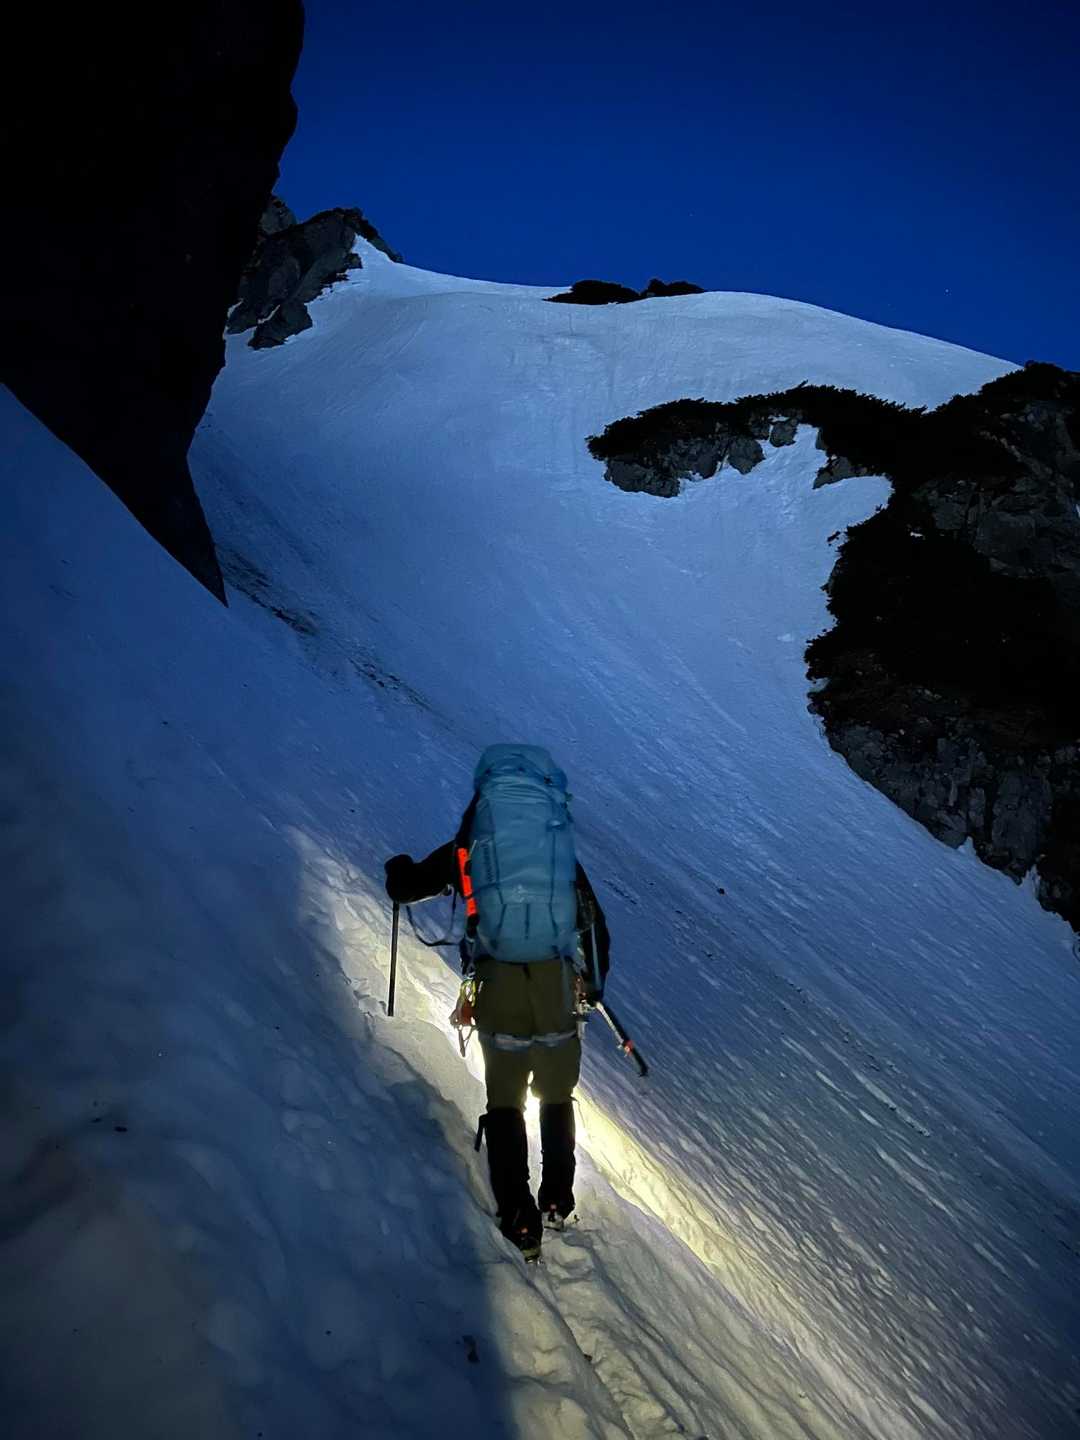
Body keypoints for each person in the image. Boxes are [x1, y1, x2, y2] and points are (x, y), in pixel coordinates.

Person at [384, 744, 610, 1259]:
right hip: (556, 988)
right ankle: (557, 1196)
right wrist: (592, 986)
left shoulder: (470, 847)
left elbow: (408, 887)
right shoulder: (557, 857)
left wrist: (397, 871)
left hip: (497, 985)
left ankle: (518, 1216)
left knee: (506, 1101)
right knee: (555, 1094)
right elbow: (594, 928)